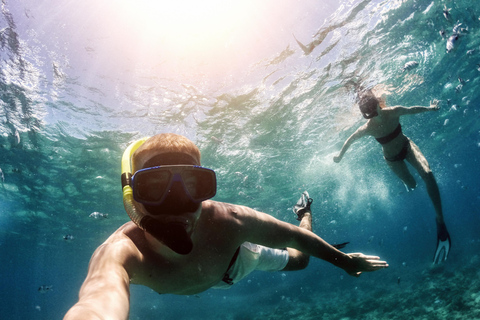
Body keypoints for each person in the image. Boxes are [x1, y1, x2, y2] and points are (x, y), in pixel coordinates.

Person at [64, 133, 388, 320]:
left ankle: (304, 210)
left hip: (235, 260)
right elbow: (96, 302)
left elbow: (294, 236)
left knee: (301, 260)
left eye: (193, 186)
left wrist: (344, 262)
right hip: (213, 271)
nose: (177, 204)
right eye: (154, 188)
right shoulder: (122, 251)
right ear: (134, 198)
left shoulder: (230, 222)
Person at [333, 87, 451, 264]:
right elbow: (349, 140)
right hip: (392, 159)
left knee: (428, 173)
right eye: (368, 115)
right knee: (412, 185)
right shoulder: (367, 128)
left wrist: (430, 108)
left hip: (407, 146)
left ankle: (440, 220)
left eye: (374, 112)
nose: (373, 117)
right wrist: (339, 156)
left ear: (378, 105)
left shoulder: (393, 111)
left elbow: (412, 110)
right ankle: (408, 183)